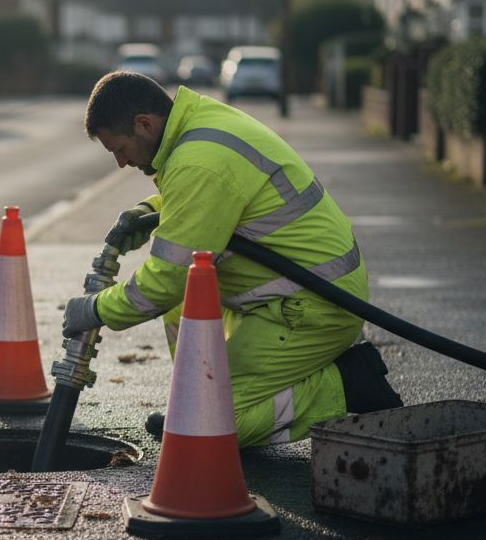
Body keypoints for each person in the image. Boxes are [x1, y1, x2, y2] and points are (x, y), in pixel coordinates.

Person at [62, 71, 401, 446]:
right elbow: (217, 197)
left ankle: (347, 385)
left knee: (211, 423)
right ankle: (195, 396)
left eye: (119, 149)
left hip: (314, 307)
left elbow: (163, 283)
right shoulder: (200, 123)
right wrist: (149, 209)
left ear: (145, 124)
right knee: (186, 306)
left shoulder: (198, 161)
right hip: (294, 291)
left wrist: (95, 310)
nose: (121, 163)